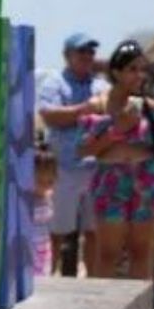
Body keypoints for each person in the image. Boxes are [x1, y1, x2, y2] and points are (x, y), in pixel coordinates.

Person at [77, 40, 154, 280]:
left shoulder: (153, 108)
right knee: (108, 252)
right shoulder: (98, 105)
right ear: (116, 72)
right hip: (111, 181)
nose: (139, 75)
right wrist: (118, 129)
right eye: (132, 69)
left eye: (142, 69)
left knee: (141, 251)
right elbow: (83, 149)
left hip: (146, 181)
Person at [37, 33, 110, 277]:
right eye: (82, 52)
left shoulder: (101, 86)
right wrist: (84, 110)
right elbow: (49, 115)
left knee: (94, 231)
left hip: (95, 168)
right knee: (56, 230)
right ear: (67, 55)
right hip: (63, 168)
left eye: (91, 52)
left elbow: (111, 119)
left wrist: (79, 117)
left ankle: (92, 280)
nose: (88, 57)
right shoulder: (54, 82)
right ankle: (50, 275)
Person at [33, 147, 58, 276]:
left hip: (43, 243)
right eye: (40, 181)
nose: (45, 185)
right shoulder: (26, 200)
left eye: (50, 181)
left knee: (43, 272)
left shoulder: (48, 196)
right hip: (29, 245)